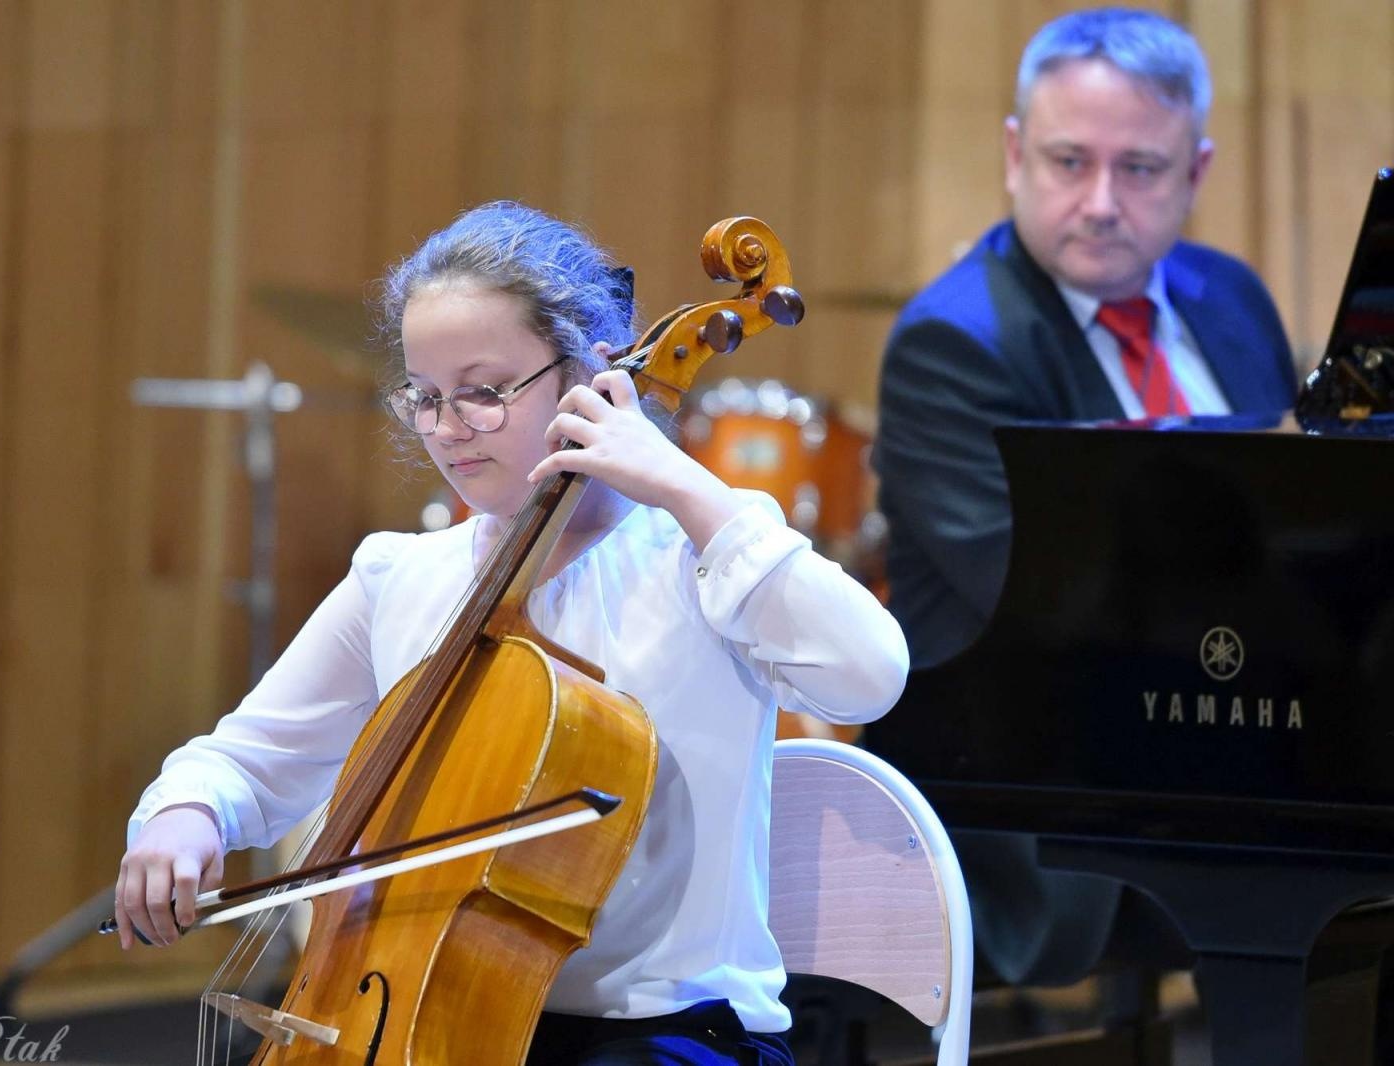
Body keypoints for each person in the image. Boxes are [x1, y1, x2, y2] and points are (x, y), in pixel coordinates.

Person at [115, 201, 909, 1064]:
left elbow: (868, 674)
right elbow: (246, 760)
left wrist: (687, 487)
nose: (447, 428)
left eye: (486, 392)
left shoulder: (699, 560)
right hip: (431, 1021)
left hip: (665, 1036)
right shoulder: (402, 577)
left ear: (592, 373)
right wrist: (185, 815)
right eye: (425, 396)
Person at [872, 7, 1298, 987]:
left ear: (1195, 172)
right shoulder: (953, 341)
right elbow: (1049, 601)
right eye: (1069, 161)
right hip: (1043, 793)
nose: (1101, 202)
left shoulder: (1231, 298)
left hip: (1237, 737)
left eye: (1139, 168)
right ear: (1014, 155)